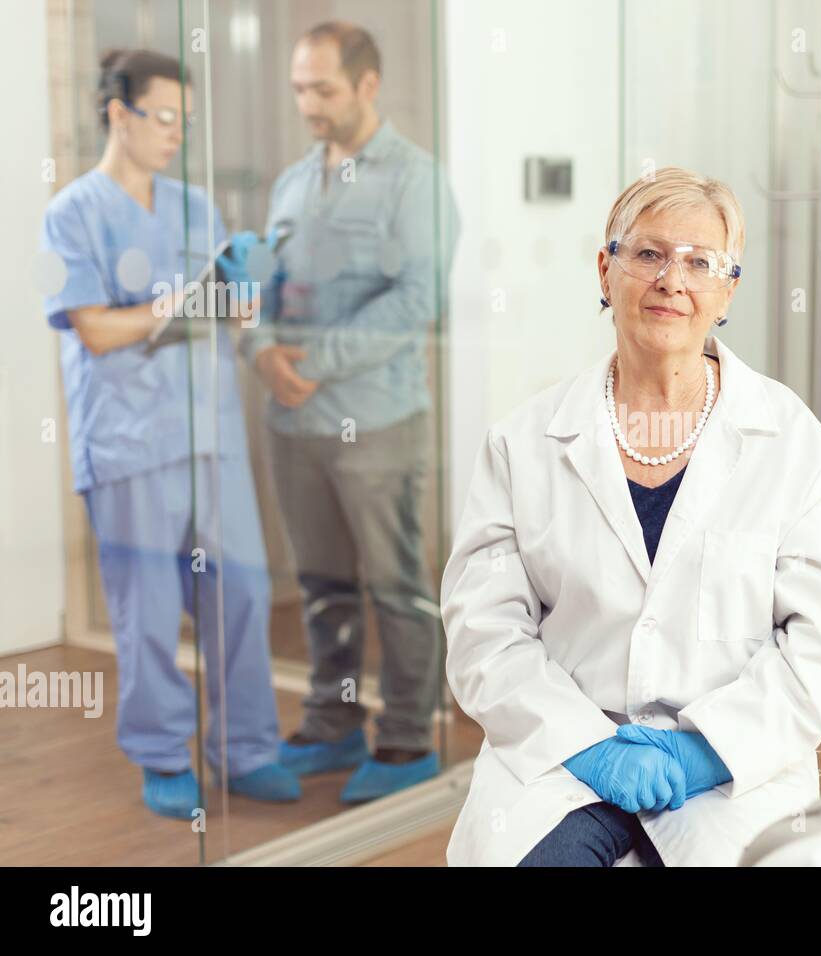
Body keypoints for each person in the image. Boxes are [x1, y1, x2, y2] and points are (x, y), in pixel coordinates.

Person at [440, 167, 821, 866]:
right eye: (647, 254)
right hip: (566, 758)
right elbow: (484, 633)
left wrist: (705, 751)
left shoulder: (794, 447)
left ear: (727, 291)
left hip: (729, 769)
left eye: (701, 262)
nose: (673, 279)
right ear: (605, 271)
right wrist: (590, 746)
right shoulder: (524, 442)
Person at [39, 48, 298, 819]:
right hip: (127, 441)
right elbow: (93, 329)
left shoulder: (196, 207)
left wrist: (244, 304)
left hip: (208, 434)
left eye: (186, 121)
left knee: (244, 593)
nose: (177, 133)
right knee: (148, 609)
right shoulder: (71, 214)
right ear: (117, 113)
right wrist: (181, 300)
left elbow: (229, 308)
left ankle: (246, 749)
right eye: (163, 117)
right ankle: (161, 755)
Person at [226, 21, 459, 803]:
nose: (307, 103)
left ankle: (405, 740)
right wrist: (259, 350)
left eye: (322, 88)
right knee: (323, 583)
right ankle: (332, 724)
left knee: (395, 584)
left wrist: (310, 367)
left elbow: (419, 301)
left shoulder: (414, 181)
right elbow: (254, 280)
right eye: (299, 88)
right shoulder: (293, 183)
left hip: (376, 421)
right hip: (294, 426)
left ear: (367, 85)